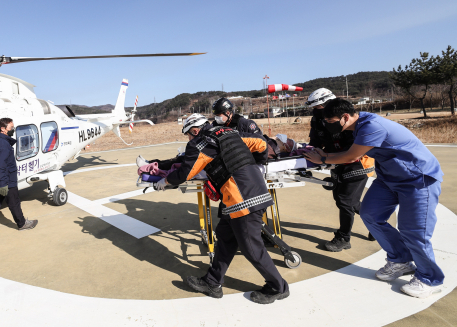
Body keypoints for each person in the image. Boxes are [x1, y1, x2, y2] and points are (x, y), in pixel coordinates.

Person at [305, 99, 444, 298]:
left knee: (414, 232)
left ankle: (430, 279)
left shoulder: (372, 126)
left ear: (345, 117)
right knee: (370, 214)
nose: (328, 125)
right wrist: (323, 152)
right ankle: (400, 260)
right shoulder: (357, 124)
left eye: (331, 121)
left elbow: (352, 156)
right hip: (389, 178)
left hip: (418, 179)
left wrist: (324, 159)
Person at [154, 114, 289, 304]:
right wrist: (256, 164)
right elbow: (261, 144)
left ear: (194, 131)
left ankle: (278, 287)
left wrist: (165, 181)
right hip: (246, 191)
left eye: (188, 135)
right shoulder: (230, 132)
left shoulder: (199, 142)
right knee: (225, 236)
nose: (189, 140)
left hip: (243, 198)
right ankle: (212, 281)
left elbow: (187, 171)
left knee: (251, 247)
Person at [305, 88, 375, 252]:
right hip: (335, 161)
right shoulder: (317, 120)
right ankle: (377, 224)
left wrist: (325, 157)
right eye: (315, 109)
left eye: (319, 108)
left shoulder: (348, 119)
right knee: (347, 201)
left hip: (357, 164)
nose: (318, 111)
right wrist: (308, 151)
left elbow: (353, 152)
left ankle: (343, 238)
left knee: (345, 201)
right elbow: (315, 140)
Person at [0, 118, 38, 245]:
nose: (13, 130)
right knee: (14, 202)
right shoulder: (3, 144)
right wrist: (4, 184)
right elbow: (0, 166)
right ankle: (22, 224)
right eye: (11, 127)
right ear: (3, 129)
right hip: (5, 181)